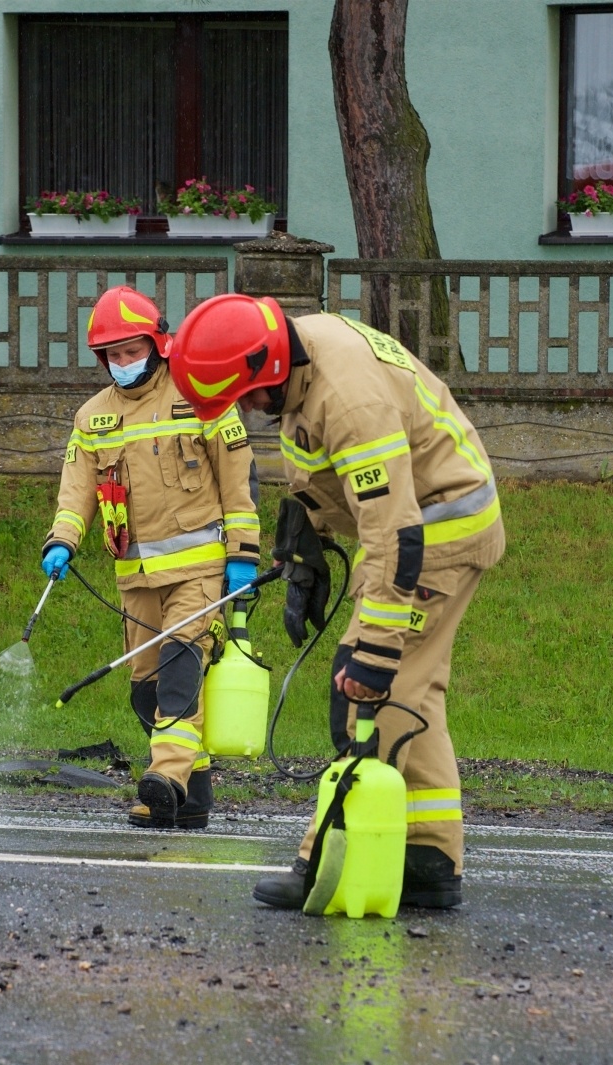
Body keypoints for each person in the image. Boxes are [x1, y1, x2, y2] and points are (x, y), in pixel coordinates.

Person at [167, 295, 505, 909]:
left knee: (369, 691)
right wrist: (304, 541)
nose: (246, 409)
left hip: (435, 537)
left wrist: (373, 649)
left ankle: (326, 860)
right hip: (419, 528)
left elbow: (393, 535)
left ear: (265, 367)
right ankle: (427, 855)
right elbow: (316, 457)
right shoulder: (303, 358)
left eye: (245, 397)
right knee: (415, 691)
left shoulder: (350, 399)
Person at [42, 285, 259, 830]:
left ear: (158, 343)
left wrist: (244, 554)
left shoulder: (201, 395)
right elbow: (76, 492)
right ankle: (193, 794)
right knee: (146, 693)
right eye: (112, 355)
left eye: (132, 350)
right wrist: (62, 541)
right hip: (135, 577)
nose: (122, 362)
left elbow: (239, 482)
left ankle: (162, 781)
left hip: (200, 570)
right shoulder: (92, 418)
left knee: (180, 678)